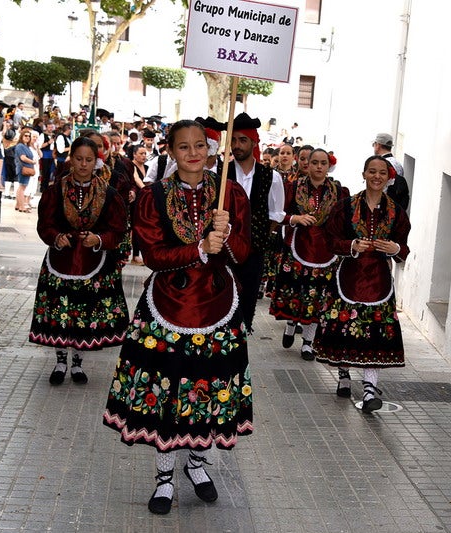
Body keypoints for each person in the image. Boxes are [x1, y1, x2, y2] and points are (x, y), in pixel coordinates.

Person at [103, 119, 252, 511]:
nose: (193, 153)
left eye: (200, 145)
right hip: (167, 306)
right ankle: (165, 477)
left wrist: (227, 232)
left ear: (210, 149)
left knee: (211, 387)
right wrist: (199, 248)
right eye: (183, 147)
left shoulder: (230, 192)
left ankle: (197, 464)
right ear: (170, 150)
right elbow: (153, 256)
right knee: (168, 391)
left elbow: (244, 253)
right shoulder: (152, 196)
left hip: (219, 306)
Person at [28, 136, 130, 385]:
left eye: (89, 160)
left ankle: (77, 364)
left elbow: (118, 230)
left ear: (96, 161)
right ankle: (60, 362)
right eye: (79, 159)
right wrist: (56, 237)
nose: (83, 164)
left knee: (84, 313)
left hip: (94, 262)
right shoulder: (55, 191)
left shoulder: (109, 194)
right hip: (60, 261)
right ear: (71, 159)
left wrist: (98, 239)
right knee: (61, 312)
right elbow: (45, 224)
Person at [313, 156, 411, 412]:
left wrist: (395, 248)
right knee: (346, 329)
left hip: (379, 280)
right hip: (349, 275)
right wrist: (352, 245)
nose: (377, 177)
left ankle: (369, 389)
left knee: (375, 334)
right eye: (372, 171)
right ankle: (344, 374)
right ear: (364, 174)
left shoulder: (396, 212)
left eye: (382, 173)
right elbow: (331, 239)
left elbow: (403, 245)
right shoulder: (345, 207)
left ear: (388, 178)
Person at [269, 148, 349, 360]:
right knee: (297, 292)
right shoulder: (294, 187)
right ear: (307, 164)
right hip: (299, 247)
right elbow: (279, 214)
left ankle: (308, 342)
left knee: (319, 297)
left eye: (323, 163)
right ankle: (290, 325)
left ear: (329, 166)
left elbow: (344, 221)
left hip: (326, 251)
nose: (319, 167)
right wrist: (296, 219)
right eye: (315, 162)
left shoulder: (339, 191)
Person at [226, 112, 285, 333]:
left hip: (254, 252)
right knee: (223, 302)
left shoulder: (271, 177)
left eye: (242, 140)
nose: (237, 145)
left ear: (253, 142)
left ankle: (241, 341)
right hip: (224, 251)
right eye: (233, 140)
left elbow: (275, 214)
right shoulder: (220, 173)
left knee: (247, 302)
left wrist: (258, 237)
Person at [372, 133, 410, 210]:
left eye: (374, 144)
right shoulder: (398, 164)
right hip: (396, 207)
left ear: (378, 145)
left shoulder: (380, 164)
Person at [14, 128, 36, 213]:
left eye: (29, 136)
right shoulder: (20, 146)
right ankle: (22, 206)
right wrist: (32, 162)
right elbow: (23, 158)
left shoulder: (26, 146)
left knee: (21, 187)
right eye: (25, 136)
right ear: (22, 136)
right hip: (23, 168)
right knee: (22, 187)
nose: (27, 137)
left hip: (26, 168)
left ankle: (18, 205)